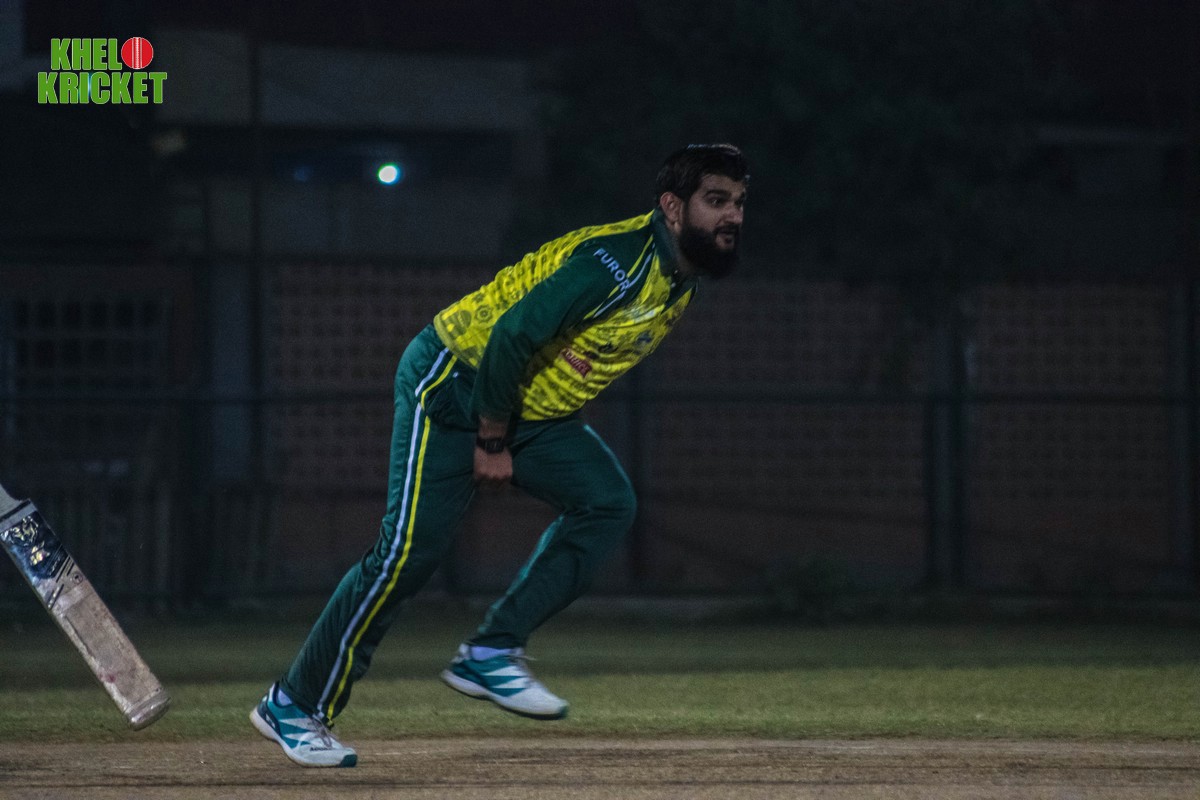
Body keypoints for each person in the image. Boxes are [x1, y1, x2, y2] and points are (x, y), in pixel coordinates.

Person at [250, 143, 749, 767]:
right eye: (716, 201)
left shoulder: (680, 277)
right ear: (673, 207)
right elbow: (512, 336)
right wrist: (490, 440)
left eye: (739, 203)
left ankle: (489, 653)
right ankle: (294, 704)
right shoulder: (617, 263)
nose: (732, 216)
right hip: (455, 383)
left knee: (606, 502)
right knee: (405, 556)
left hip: (528, 411)